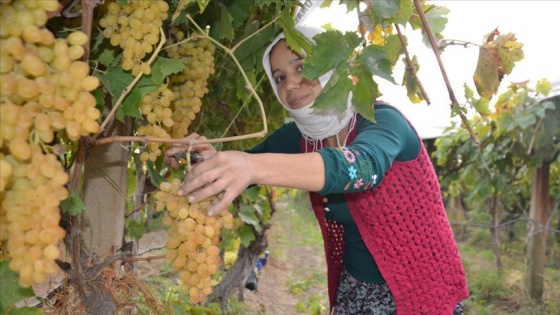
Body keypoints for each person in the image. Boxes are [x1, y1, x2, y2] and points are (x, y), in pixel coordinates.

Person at [164, 26, 469, 314]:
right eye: (280, 77)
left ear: (330, 67)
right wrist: (205, 158)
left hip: (420, 286)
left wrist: (252, 166)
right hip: (356, 289)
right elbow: (244, 168)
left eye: (301, 67)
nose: (291, 83)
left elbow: (364, 166)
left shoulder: (382, 120)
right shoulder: (300, 136)